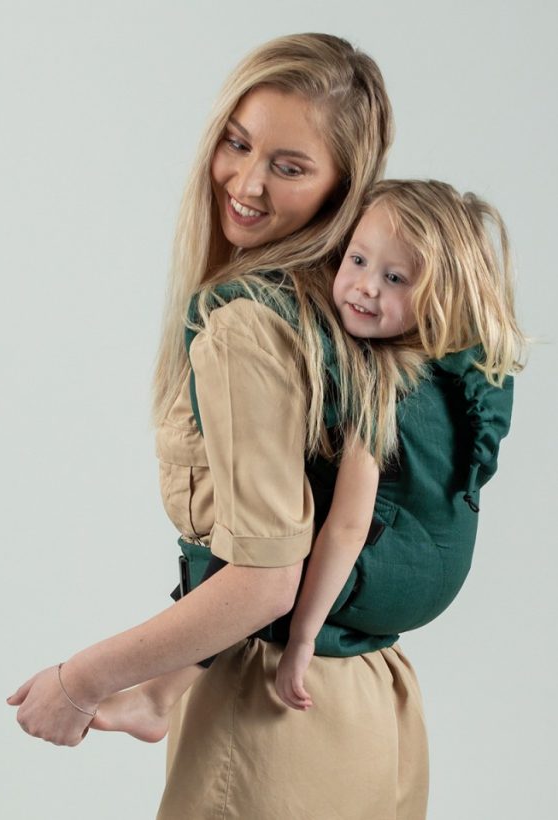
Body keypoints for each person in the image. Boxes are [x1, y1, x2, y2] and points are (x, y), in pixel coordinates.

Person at [9, 33, 434, 820]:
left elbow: (264, 580)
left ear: (343, 190)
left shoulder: (249, 326)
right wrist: (159, 691)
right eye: (237, 143)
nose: (246, 182)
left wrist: (81, 681)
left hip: (272, 718)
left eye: (290, 166)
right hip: (376, 706)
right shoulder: (366, 320)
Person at [88, 178, 524, 729]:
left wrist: (301, 639)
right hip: (428, 566)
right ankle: (158, 694)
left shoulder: (383, 381)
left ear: (440, 298)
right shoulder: (447, 362)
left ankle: (156, 699)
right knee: (271, 527)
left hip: (406, 572)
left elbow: (348, 527)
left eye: (394, 278)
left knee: (264, 548)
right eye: (358, 260)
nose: (364, 287)